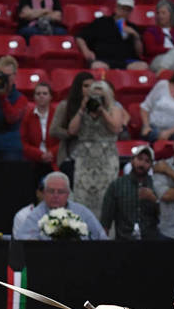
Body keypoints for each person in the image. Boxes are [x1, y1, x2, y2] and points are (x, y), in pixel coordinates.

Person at [70, 80, 126, 221]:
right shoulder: (83, 110)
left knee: (105, 196)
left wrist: (102, 111)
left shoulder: (114, 109)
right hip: (85, 160)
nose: (96, 99)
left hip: (106, 159)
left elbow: (116, 128)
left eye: (100, 96)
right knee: (82, 196)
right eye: (94, 96)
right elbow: (72, 130)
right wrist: (82, 109)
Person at [17, 171, 108, 240]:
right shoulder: (36, 215)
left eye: (60, 192)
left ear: (68, 194)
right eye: (51, 191)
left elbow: (102, 238)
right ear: (44, 193)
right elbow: (22, 240)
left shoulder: (82, 212)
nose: (55, 195)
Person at [99, 144, 159, 240]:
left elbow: (166, 219)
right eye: (139, 159)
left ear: (151, 165)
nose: (142, 164)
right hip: (123, 241)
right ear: (132, 160)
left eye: (147, 161)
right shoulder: (117, 185)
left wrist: (154, 199)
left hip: (151, 242)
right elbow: (105, 221)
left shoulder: (156, 185)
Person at [76, 0, 147, 70]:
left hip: (126, 61)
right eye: (123, 9)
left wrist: (136, 36)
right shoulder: (101, 22)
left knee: (142, 66)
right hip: (104, 60)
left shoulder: (133, 27)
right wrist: (86, 51)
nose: (125, 12)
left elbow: (139, 53)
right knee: (97, 66)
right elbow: (80, 37)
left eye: (128, 10)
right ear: (116, 8)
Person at [48, 71, 93, 172]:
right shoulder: (65, 105)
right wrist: (70, 134)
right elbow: (53, 130)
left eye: (92, 86)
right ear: (78, 87)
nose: (89, 89)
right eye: (86, 86)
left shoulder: (96, 106)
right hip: (69, 155)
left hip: (91, 156)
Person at [21, 81, 55, 165]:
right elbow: (23, 143)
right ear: (34, 97)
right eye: (38, 93)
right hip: (33, 159)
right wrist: (40, 155)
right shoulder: (27, 116)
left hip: (54, 158)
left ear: (50, 97)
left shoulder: (58, 115)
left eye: (45, 93)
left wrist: (51, 153)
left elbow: (63, 141)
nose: (41, 96)